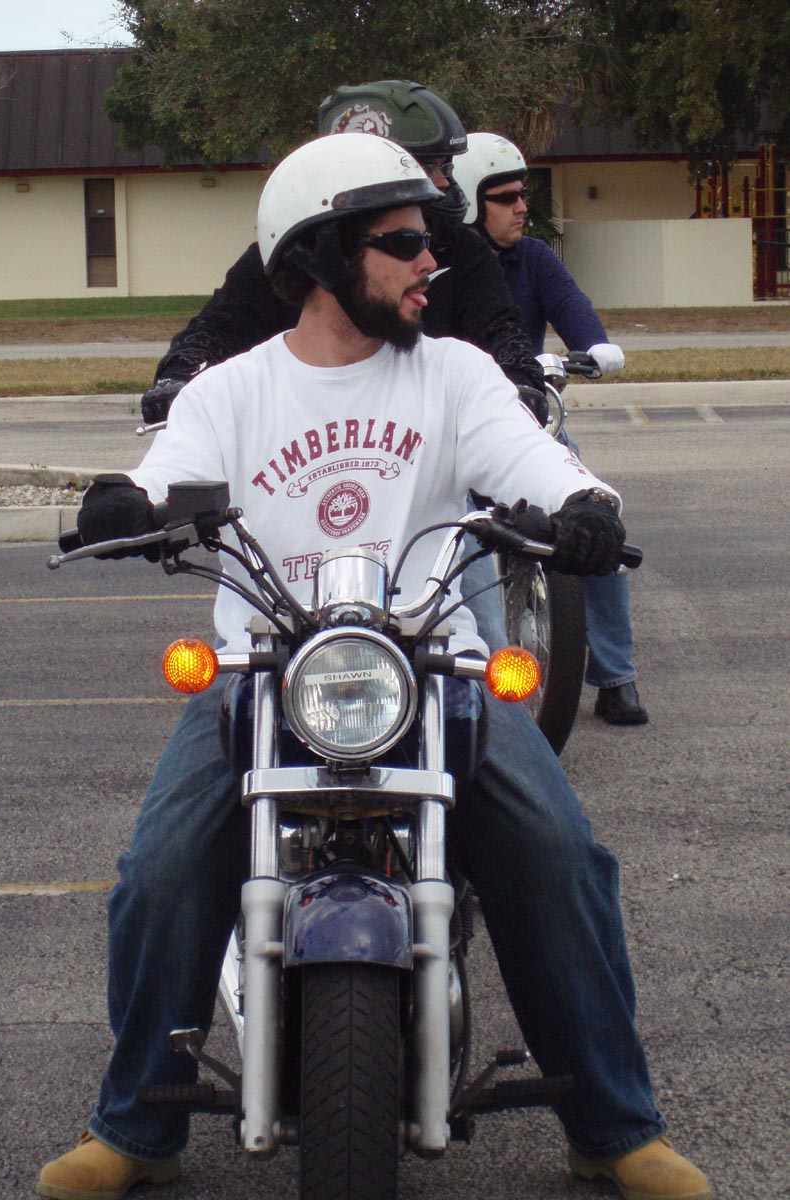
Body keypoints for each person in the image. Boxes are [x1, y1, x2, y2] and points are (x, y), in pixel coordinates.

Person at [37, 134, 710, 1200]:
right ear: (318, 254)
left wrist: (584, 506)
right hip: (263, 670)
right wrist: (127, 503)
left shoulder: (455, 375)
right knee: (158, 874)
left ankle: (613, 1126)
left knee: (561, 855)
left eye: (427, 240)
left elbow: (536, 461)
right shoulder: (231, 393)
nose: (428, 261)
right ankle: (134, 1127)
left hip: (436, 666)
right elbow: (167, 474)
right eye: (400, 243)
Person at [139, 79, 548, 430]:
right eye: (428, 166)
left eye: (447, 166)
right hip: (307, 440)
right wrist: (181, 375)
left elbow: (500, 328)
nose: (443, 182)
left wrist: (520, 378)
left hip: (432, 441)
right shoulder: (294, 253)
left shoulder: (463, 250)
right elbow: (219, 328)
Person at [455, 131, 650, 727]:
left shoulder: (534, 258)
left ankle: (616, 677)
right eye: (506, 198)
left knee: (596, 519)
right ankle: (462, 674)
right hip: (457, 432)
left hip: (528, 418)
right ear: (468, 202)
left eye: (524, 195)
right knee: (450, 538)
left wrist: (594, 346)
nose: (522, 207)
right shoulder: (441, 265)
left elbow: (573, 308)